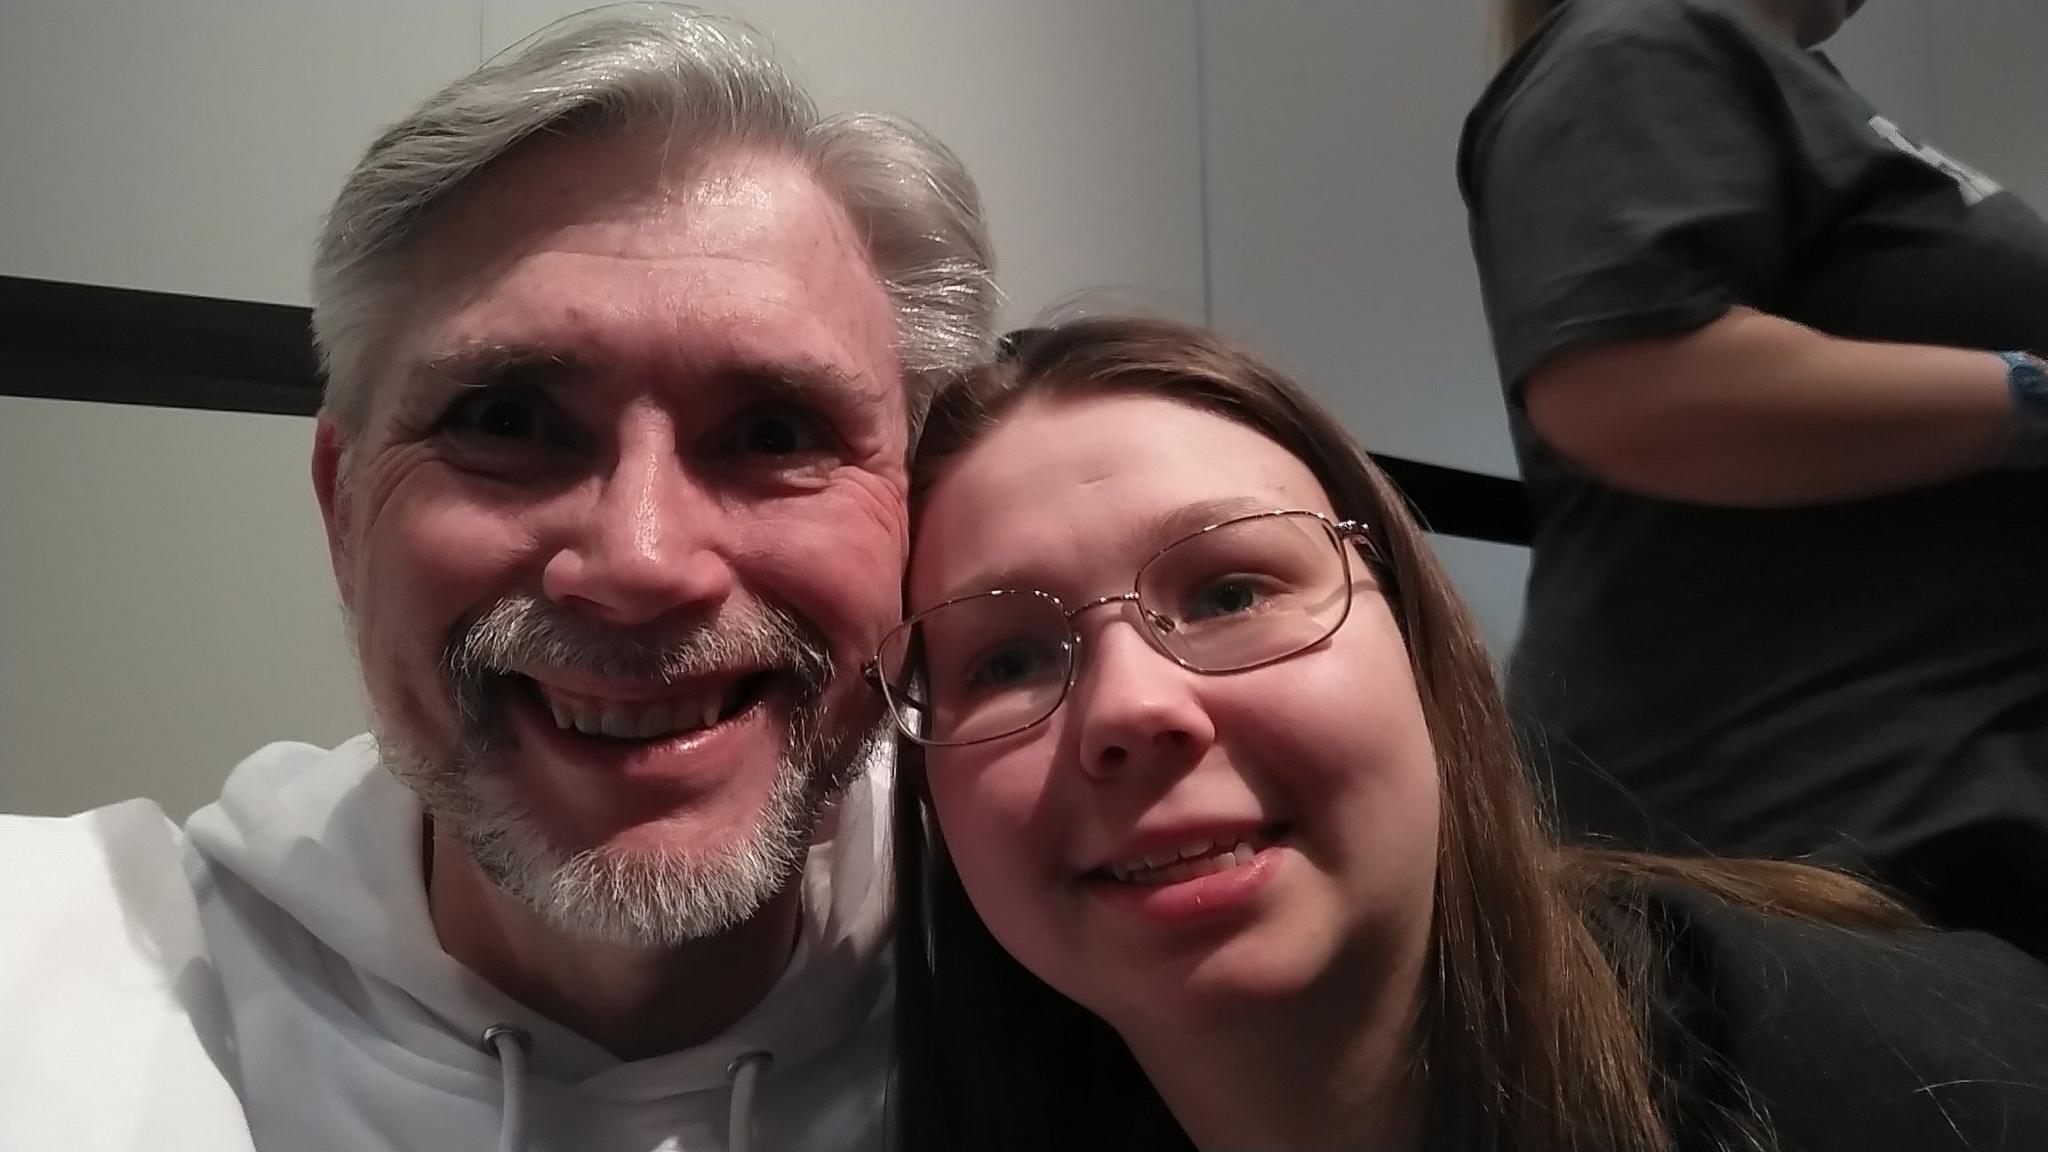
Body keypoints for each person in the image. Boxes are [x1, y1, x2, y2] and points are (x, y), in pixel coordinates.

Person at [0, 6, 995, 1150]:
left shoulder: (1080, 1009)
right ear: (344, 508)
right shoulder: (44, 969)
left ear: (923, 522)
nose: (640, 560)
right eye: (507, 418)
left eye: (774, 430)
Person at [881, 316, 2048, 1152]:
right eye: (1010, 659)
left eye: (1231, 592)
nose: (1133, 708)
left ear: (1425, 653)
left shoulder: (1920, 1073)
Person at [1458, 0, 2048, 958]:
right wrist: (2029, 396)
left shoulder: (1783, 87)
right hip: (1805, 863)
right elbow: (1629, 384)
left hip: (1926, 847)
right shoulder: (1640, 38)